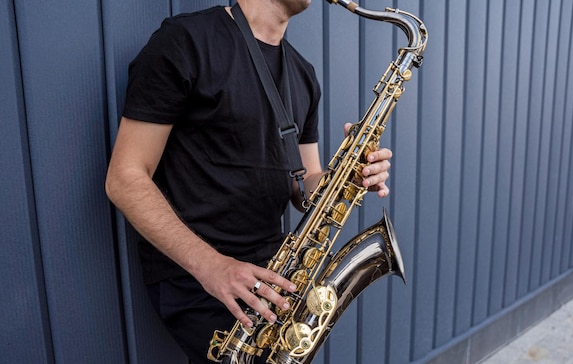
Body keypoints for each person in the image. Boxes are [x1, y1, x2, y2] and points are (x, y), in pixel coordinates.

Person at [105, 0, 392, 362]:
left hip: (272, 274)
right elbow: (125, 178)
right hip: (199, 279)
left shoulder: (302, 73)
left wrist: (348, 178)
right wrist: (213, 267)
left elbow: (305, 186)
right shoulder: (185, 42)